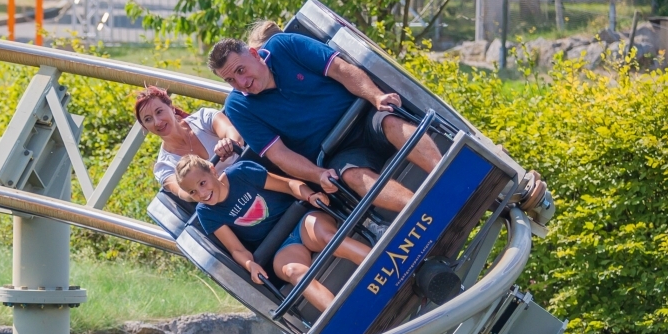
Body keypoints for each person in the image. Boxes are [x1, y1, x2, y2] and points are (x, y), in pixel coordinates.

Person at [207, 31, 441, 215]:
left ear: (254, 54)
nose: (241, 82)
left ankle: (443, 173)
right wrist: (317, 174)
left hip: (362, 118)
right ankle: (424, 210)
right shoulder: (238, 106)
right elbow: (279, 154)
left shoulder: (284, 46)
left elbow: (340, 70)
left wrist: (376, 96)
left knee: (390, 121)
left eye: (241, 70)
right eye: (231, 80)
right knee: (351, 176)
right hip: (336, 152)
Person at [171, 154, 328, 288]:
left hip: (301, 220)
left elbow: (289, 185)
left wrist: (310, 196)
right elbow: (237, 249)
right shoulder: (206, 212)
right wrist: (249, 264)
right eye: (193, 192)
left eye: (202, 183)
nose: (202, 194)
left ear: (212, 170)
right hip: (280, 247)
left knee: (327, 237)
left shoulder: (240, 172)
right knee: (293, 272)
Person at [134, 85, 245, 194]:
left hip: (246, 171)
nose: (157, 122)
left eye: (159, 112)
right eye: (148, 119)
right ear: (145, 126)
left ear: (171, 108)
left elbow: (231, 132)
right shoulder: (164, 166)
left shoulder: (203, 118)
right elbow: (182, 192)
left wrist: (228, 143)